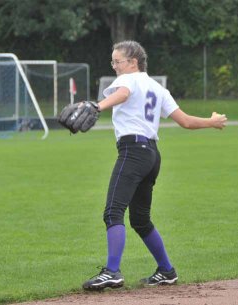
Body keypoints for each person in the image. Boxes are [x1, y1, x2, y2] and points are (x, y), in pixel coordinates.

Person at [82, 41, 227, 290]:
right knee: (140, 219)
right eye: (113, 61)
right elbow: (186, 122)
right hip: (151, 154)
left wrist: (98, 106)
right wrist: (211, 122)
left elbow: (123, 93)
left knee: (113, 212)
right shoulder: (157, 87)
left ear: (133, 62)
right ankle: (167, 271)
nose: (114, 66)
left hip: (132, 152)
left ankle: (112, 272)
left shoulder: (129, 80)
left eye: (118, 61)